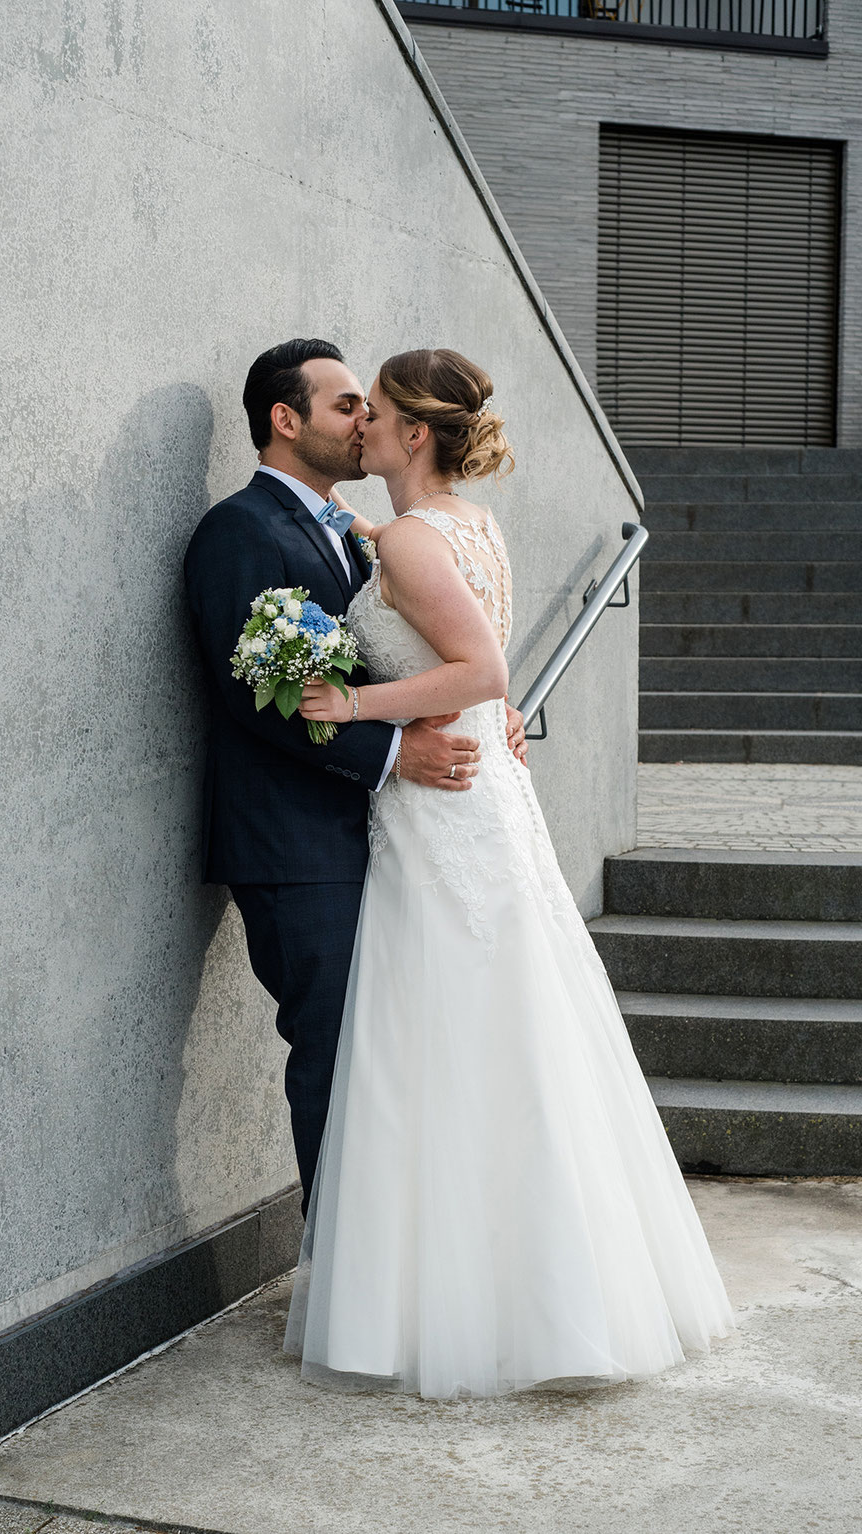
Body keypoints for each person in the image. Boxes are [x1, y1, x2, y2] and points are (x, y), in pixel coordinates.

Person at [285, 347, 736, 1399]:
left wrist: (346, 705)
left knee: (438, 1040)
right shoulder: (462, 527)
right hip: (471, 801)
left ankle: (449, 1311)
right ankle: (517, 1294)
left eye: (378, 414)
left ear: (413, 434)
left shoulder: (408, 533)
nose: (362, 428)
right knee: (495, 1032)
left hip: (443, 816)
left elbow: (481, 668)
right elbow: (471, 659)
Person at [183, 339, 527, 1217]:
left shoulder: (356, 534)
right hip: (293, 843)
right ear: (285, 420)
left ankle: (392, 1263)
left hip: (376, 831)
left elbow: (422, 649)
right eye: (346, 405)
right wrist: (389, 751)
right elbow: (252, 695)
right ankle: (336, 1274)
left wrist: (492, 713)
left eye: (368, 406)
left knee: (385, 1057)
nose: (362, 419)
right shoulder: (240, 530)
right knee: (334, 1053)